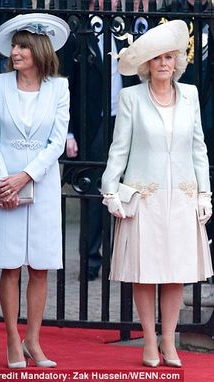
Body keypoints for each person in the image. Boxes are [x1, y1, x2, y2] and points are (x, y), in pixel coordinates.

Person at [101, 20, 213, 368]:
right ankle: (149, 341)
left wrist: (204, 193)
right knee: (146, 272)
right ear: (148, 64)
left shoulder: (191, 95)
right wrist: (109, 190)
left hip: (181, 196)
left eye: (169, 57)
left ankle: (169, 342)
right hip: (144, 198)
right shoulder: (131, 97)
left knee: (176, 271)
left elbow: (199, 148)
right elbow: (118, 150)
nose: (164, 63)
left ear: (177, 62)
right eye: (157, 58)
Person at [0, 13, 70, 368]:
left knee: (41, 265)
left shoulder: (58, 88)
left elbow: (57, 141)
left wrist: (27, 176)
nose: (15, 52)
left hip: (43, 184)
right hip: (4, 187)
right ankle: (12, 341)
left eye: (21, 46)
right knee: (10, 265)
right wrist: (5, 180)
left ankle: (34, 339)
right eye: (14, 46)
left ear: (37, 50)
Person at [62, 0, 138, 281]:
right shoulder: (79, 30)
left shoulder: (128, 30)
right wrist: (69, 132)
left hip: (125, 121)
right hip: (92, 122)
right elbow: (65, 83)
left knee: (128, 191)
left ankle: (124, 259)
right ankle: (91, 261)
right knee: (93, 193)